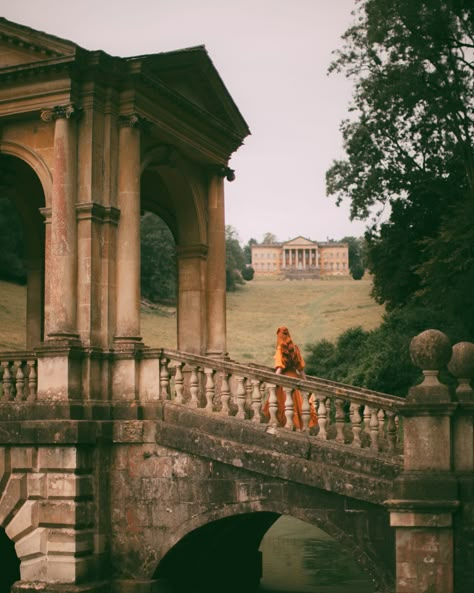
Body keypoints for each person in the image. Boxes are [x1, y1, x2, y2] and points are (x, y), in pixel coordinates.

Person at [263, 326, 317, 430]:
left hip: (284, 379)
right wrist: (306, 382)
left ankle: (287, 425)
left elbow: (280, 367)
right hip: (294, 378)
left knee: (282, 403)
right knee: (295, 404)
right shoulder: (294, 348)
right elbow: (300, 369)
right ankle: (296, 426)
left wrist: (273, 380)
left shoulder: (280, 349)